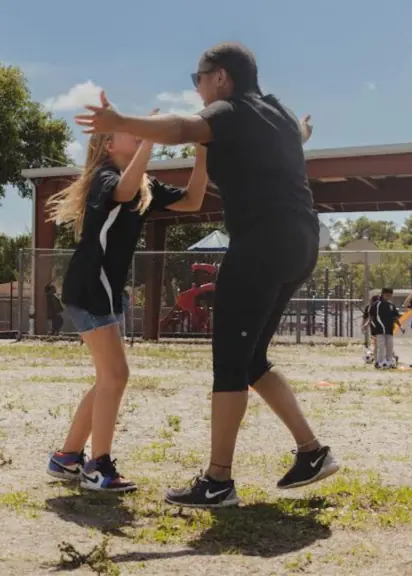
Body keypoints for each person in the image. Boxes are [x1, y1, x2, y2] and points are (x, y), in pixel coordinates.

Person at [75, 42, 338, 507]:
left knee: (230, 364)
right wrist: (304, 132)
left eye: (197, 79)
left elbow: (180, 127)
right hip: (302, 243)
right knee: (253, 358)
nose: (196, 90)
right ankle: (312, 452)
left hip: (260, 245)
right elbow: (293, 133)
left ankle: (218, 481)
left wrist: (121, 122)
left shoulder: (229, 110)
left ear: (219, 77)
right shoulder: (278, 112)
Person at [44, 129, 208, 492]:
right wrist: (151, 139)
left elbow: (193, 200)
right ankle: (97, 466)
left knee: (108, 378)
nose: (137, 134)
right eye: (130, 132)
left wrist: (202, 153)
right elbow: (123, 191)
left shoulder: (144, 183)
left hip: (105, 290)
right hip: (90, 287)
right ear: (107, 146)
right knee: (116, 376)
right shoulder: (106, 177)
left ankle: (68, 457)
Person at [372, 287, 400, 367]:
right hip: (380, 329)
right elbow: (372, 317)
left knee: (390, 345)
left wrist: (399, 326)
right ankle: (379, 362)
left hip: (389, 329)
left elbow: (395, 317)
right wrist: (374, 327)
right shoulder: (377, 304)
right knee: (381, 346)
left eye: (390, 295)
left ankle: (389, 361)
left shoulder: (391, 305)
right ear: (383, 294)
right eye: (387, 295)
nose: (388, 297)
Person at [362, 294, 381, 361]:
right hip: (374, 327)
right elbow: (365, 317)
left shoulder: (381, 307)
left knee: (380, 343)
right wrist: (363, 325)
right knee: (376, 343)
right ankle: (376, 359)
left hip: (381, 327)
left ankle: (379, 357)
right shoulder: (369, 307)